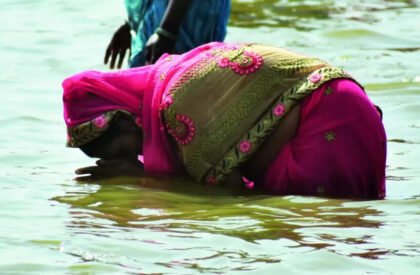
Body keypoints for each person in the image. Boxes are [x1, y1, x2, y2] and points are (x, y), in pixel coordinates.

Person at [63, 42, 387, 199]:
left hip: (331, 122)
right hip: (351, 111)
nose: (125, 159)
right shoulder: (173, 75)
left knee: (271, 223)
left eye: (118, 150)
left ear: (127, 120)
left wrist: (144, 182)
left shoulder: (177, 108)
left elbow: (227, 197)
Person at [104, 0, 231, 68]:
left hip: (183, 20)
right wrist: (131, 23)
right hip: (162, 18)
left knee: (179, 86)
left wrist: (166, 31)